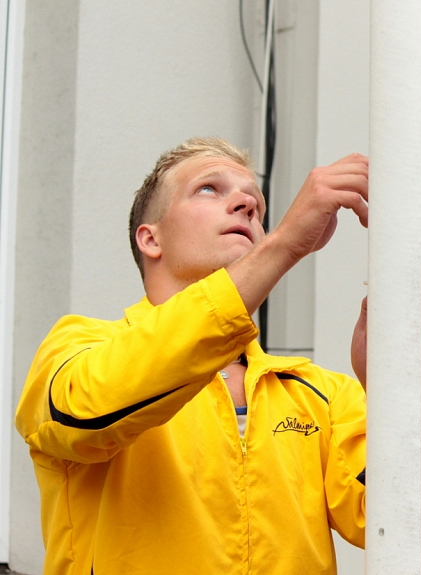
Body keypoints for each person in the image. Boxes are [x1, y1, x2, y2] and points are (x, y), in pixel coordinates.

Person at [15, 137, 369, 575]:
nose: (245, 204)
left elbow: (385, 520)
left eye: (256, 204)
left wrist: (390, 385)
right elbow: (86, 413)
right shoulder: (76, 347)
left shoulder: (324, 393)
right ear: (150, 239)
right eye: (208, 189)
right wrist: (283, 245)